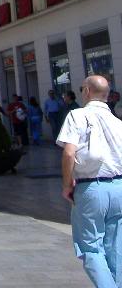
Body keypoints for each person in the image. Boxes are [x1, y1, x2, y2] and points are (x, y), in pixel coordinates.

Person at [58, 75, 122, 288]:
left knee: (91, 247)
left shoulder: (77, 115)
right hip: (119, 187)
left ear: (86, 91)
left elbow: (69, 153)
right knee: (116, 247)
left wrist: (67, 185)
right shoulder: (117, 122)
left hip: (91, 187)